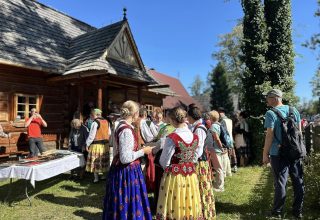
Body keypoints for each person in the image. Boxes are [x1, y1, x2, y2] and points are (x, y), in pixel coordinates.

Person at [103, 100, 153, 220]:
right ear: (135, 114)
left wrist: (137, 149)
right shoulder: (126, 130)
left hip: (121, 169)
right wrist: (143, 151)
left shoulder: (121, 125)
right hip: (126, 172)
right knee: (127, 198)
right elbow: (125, 158)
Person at [262, 89, 304, 219]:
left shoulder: (271, 113)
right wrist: (299, 149)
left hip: (278, 153)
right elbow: (300, 132)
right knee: (298, 181)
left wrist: (265, 154)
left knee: (280, 182)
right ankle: (297, 211)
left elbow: (269, 135)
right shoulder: (294, 110)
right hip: (295, 151)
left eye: (268, 97)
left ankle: (277, 212)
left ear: (275, 98)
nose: (266, 100)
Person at [156, 106, 203, 219]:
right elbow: (196, 156)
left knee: (176, 201)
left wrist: (170, 169)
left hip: (175, 176)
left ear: (172, 120)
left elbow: (164, 161)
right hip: (191, 175)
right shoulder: (195, 136)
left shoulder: (172, 137)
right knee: (189, 200)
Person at [188, 105, 216, 219]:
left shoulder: (199, 128)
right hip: (198, 161)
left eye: (188, 116)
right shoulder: (195, 126)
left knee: (203, 187)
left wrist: (192, 161)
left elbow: (198, 148)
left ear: (191, 116)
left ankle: (205, 214)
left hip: (199, 162)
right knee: (199, 187)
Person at [85, 108, 110, 183]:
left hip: (96, 145)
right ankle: (104, 175)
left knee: (95, 161)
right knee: (103, 160)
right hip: (105, 145)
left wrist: (87, 144)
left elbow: (91, 135)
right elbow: (109, 133)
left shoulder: (95, 123)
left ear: (94, 115)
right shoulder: (106, 121)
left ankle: (96, 178)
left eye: (91, 115)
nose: (90, 117)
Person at [207, 110, 225, 192]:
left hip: (216, 149)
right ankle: (219, 184)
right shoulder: (218, 125)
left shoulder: (214, 126)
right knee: (219, 168)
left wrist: (221, 148)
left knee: (218, 168)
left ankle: (220, 186)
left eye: (209, 116)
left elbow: (217, 138)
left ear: (211, 117)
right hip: (217, 149)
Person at [218, 107, 236, 174]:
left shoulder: (223, 121)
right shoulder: (230, 120)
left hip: (225, 139)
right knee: (231, 153)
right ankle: (233, 167)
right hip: (230, 138)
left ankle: (227, 170)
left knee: (227, 155)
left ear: (221, 112)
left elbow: (223, 132)